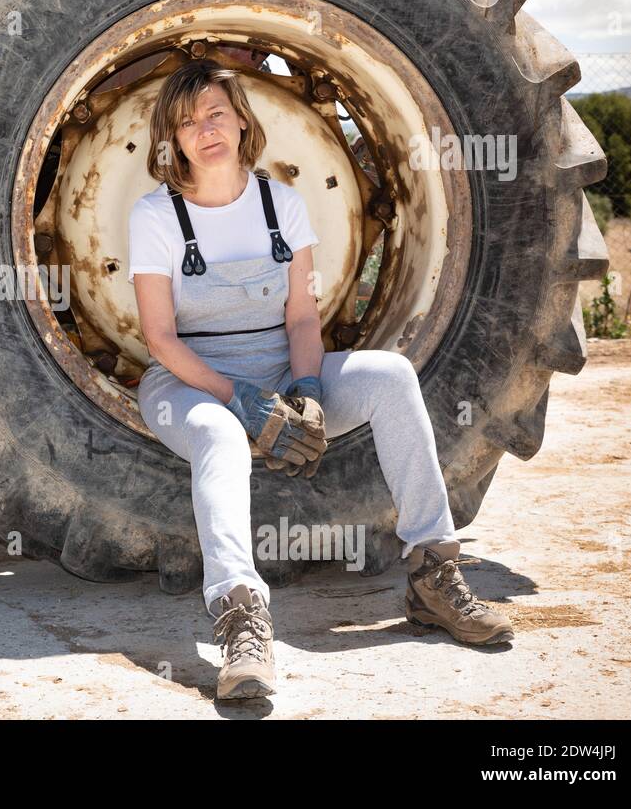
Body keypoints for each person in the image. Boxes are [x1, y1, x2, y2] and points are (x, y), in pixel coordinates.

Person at [128, 59, 514, 700]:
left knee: (390, 376)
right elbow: (160, 339)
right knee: (222, 438)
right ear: (174, 139)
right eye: (187, 120)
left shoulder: (281, 203)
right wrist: (239, 400)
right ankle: (241, 619)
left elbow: (303, 315)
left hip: (281, 369)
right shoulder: (156, 216)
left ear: (241, 120)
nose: (205, 128)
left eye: (215, 112)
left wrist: (305, 391)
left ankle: (433, 571)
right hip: (189, 384)